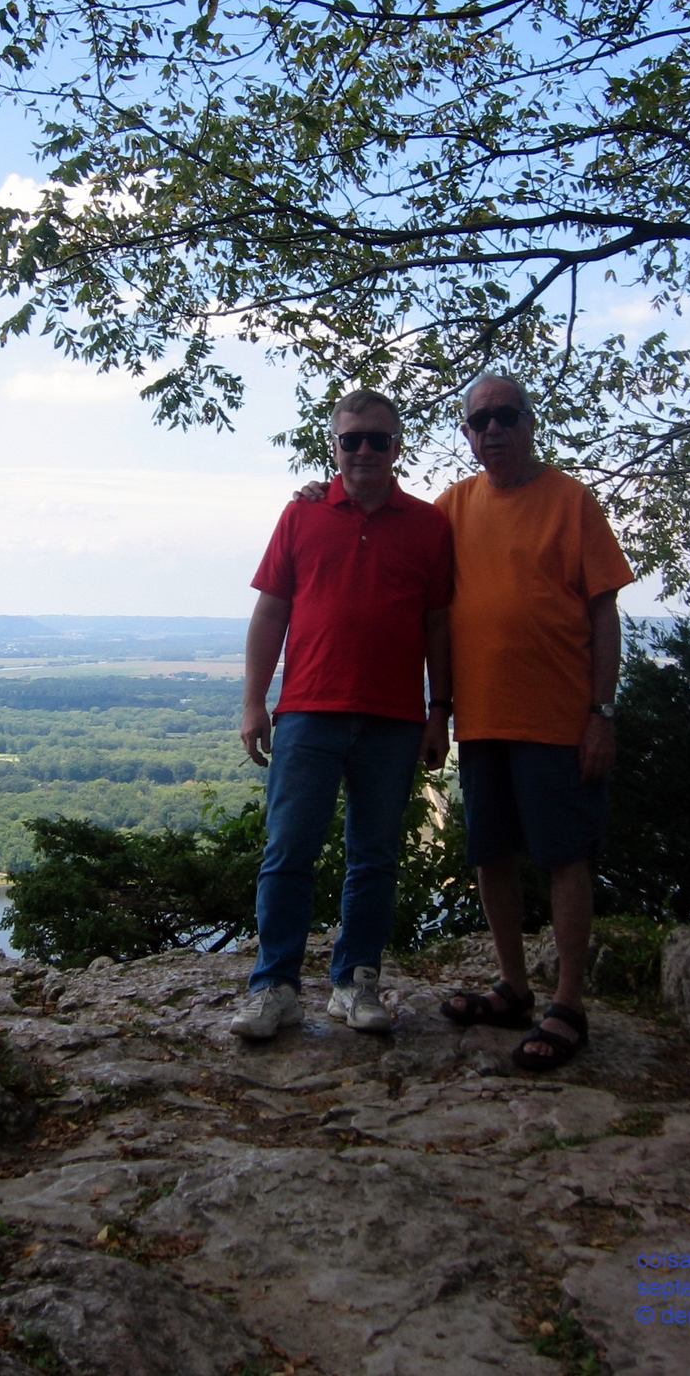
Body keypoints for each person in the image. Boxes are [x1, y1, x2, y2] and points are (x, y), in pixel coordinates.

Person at [232, 389, 453, 1040]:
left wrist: (440, 711)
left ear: (396, 447)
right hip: (307, 709)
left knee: (375, 858)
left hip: (393, 718)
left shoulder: (428, 526)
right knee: (287, 853)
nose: (363, 449)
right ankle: (275, 987)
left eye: (377, 439)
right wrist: (253, 701)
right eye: (351, 438)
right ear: (334, 445)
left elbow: (438, 625)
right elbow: (271, 611)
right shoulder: (300, 517)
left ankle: (356, 981)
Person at [435, 373, 633, 1070]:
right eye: (478, 421)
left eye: (505, 417)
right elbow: (391, 534)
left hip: (558, 719)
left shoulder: (570, 500)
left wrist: (600, 712)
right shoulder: (453, 507)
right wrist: (322, 494)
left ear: (528, 422)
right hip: (482, 720)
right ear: (467, 433)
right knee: (491, 855)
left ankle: (569, 1004)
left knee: (563, 857)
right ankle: (515, 989)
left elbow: (604, 612)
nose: (492, 431)